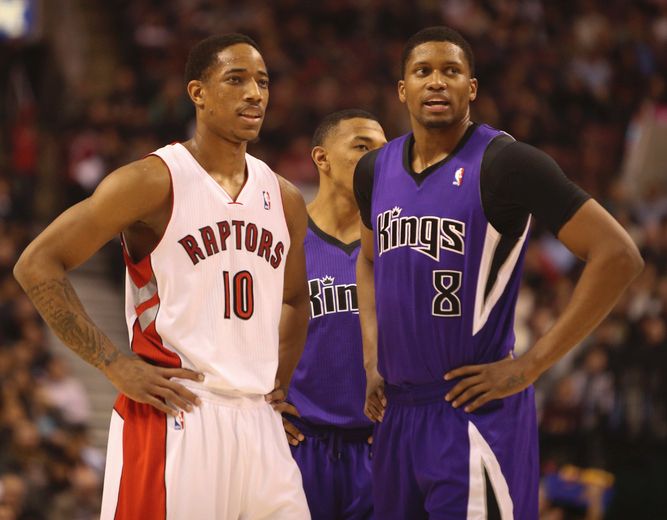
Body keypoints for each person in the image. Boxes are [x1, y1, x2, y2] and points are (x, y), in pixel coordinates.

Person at [14, 33, 311, 519]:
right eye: (236, 80)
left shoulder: (285, 198)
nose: (255, 93)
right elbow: (37, 263)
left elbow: (297, 300)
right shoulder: (152, 180)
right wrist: (114, 363)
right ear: (198, 92)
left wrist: (277, 379)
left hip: (260, 422)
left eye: (262, 81)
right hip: (179, 414)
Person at [353, 26, 643, 519]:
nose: (437, 82)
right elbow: (366, 258)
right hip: (397, 416)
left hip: (472, 416)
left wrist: (531, 366)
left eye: (452, 71)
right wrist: (370, 359)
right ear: (403, 90)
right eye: (423, 72)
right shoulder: (374, 169)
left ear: (473, 88)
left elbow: (618, 255)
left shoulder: (507, 163)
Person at [276, 109, 386, 519]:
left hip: (376, 447)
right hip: (300, 446)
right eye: (362, 146)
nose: (376, 158)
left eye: (382, 150)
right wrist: (259, 406)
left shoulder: (393, 246)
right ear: (321, 158)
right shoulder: (282, 238)